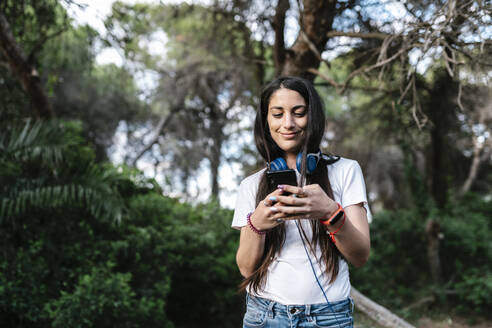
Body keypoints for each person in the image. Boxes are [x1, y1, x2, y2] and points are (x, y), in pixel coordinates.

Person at [232, 76, 371, 328]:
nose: (288, 123)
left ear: (313, 116)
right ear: (266, 120)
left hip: (329, 317)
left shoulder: (346, 170)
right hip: (265, 315)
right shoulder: (251, 185)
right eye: (277, 114)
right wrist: (257, 224)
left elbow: (360, 256)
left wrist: (330, 212)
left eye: (299, 113)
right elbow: (245, 267)